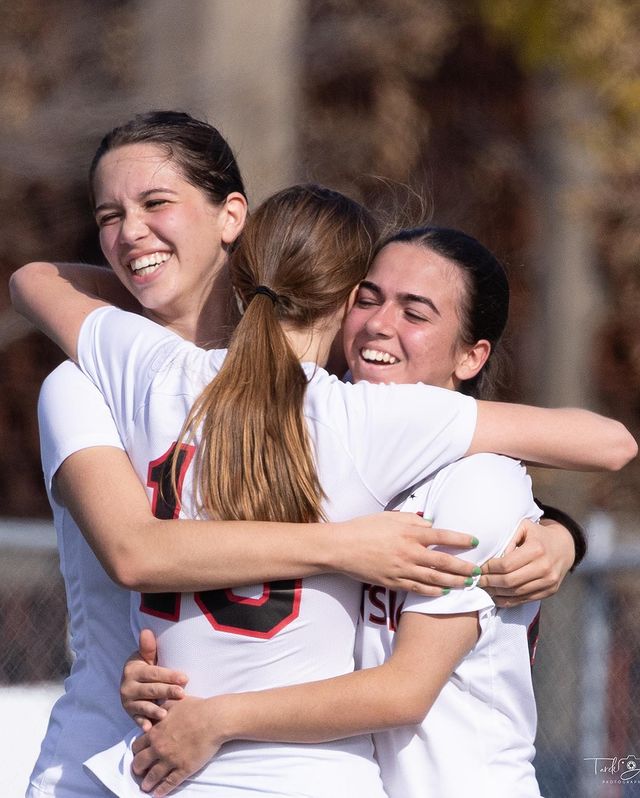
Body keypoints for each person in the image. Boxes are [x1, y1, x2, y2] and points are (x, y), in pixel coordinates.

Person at [11, 185, 637, 797]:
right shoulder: (352, 426)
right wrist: (171, 677)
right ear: (338, 302)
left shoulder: (442, 458)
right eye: (369, 298)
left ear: (471, 357)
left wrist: (561, 533)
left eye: (415, 313)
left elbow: (403, 690)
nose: (379, 326)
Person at [25, 112, 482, 798]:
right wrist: (343, 547)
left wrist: (554, 532)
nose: (129, 232)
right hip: (106, 757)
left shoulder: (322, 392)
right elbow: (135, 552)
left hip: (270, 764)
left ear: (232, 214)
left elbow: (468, 455)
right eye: (109, 215)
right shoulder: (85, 382)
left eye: (156, 204)